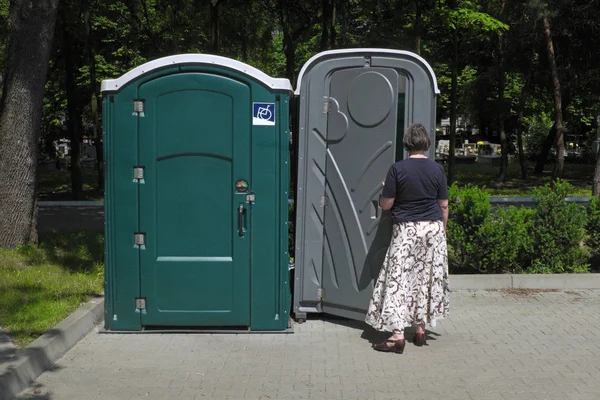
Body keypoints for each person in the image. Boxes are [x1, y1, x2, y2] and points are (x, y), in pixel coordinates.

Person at [365, 123, 449, 354]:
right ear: (426, 143)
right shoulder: (436, 169)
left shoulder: (397, 169)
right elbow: (443, 205)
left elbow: (387, 204)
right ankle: (420, 330)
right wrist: (442, 231)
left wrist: (385, 191)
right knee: (424, 279)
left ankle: (397, 336)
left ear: (407, 143)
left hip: (407, 230)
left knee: (398, 279)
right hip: (433, 229)